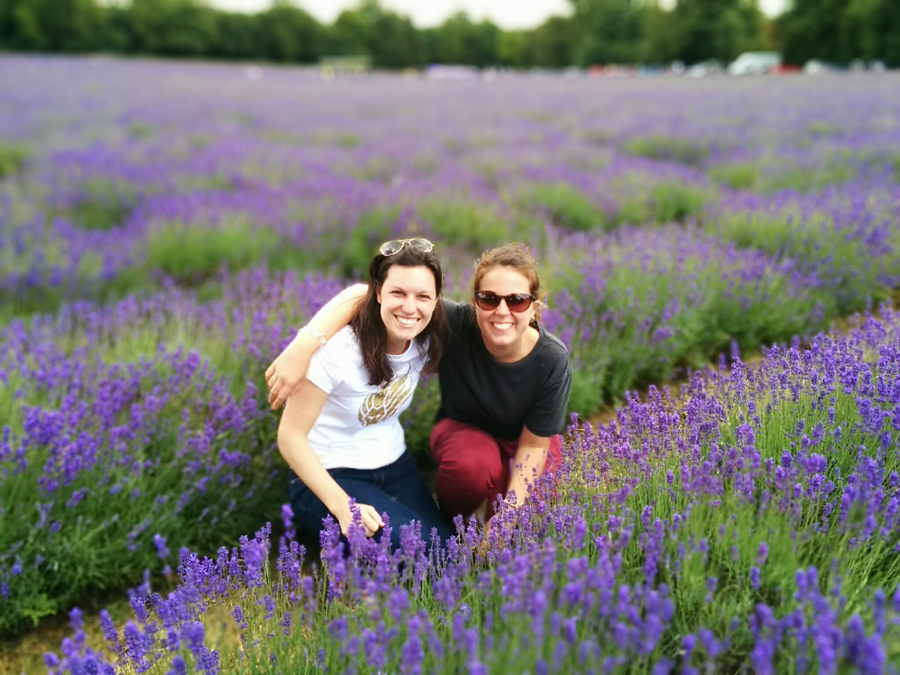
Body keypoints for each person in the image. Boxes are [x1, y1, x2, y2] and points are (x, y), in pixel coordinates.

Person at [269, 243, 572, 526]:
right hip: (462, 436)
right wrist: (303, 345)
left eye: (517, 300)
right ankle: (460, 524)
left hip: (516, 441)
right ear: (475, 302)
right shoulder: (451, 323)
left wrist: (508, 515)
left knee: (532, 520)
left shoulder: (551, 359)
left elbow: (534, 445)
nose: (502, 311)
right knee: (462, 488)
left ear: (535, 306)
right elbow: (360, 294)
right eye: (489, 298)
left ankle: (481, 539)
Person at [276, 238, 455, 551]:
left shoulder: (427, 335)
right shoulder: (336, 353)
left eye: (422, 296)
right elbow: (290, 437)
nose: (410, 307)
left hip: (395, 465)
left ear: (436, 300)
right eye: (398, 293)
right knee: (421, 552)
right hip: (331, 475)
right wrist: (343, 506)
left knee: (448, 548)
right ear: (378, 293)